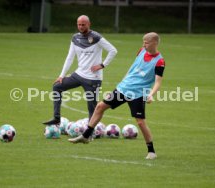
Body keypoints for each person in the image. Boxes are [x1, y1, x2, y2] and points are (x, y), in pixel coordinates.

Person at [68, 32, 165, 160]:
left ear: (155, 43)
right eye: (143, 42)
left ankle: (151, 151)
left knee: (140, 122)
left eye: (146, 42)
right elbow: (133, 67)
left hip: (138, 93)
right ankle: (86, 136)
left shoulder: (160, 61)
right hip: (123, 88)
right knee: (100, 107)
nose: (144, 44)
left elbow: (158, 82)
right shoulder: (141, 51)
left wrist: (151, 95)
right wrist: (123, 81)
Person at [43, 15, 117, 125]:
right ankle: (56, 118)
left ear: (89, 24)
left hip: (93, 78)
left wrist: (102, 65)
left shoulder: (96, 37)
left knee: (92, 107)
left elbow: (113, 50)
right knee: (57, 86)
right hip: (79, 74)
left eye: (83, 24)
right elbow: (70, 57)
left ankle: (89, 133)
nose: (81, 26)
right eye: (79, 24)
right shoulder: (75, 38)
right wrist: (61, 76)